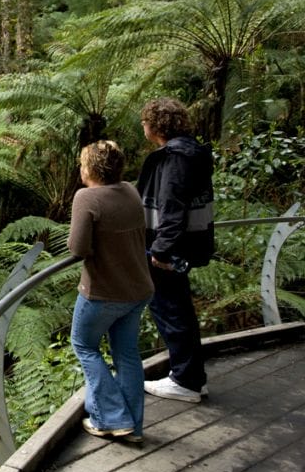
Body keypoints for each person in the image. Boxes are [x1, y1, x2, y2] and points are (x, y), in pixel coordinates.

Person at [68, 140, 154, 442]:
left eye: (82, 163)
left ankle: (110, 419)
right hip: (139, 288)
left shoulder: (87, 198)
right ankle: (133, 427)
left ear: (91, 168)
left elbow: (77, 248)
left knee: (84, 345)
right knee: (127, 354)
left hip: (103, 293)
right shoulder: (129, 190)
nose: (80, 168)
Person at [137, 97, 215, 403]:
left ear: (156, 126)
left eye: (145, 122)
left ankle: (185, 380)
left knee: (170, 310)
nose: (143, 126)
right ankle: (193, 376)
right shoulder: (192, 152)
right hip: (187, 243)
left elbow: (171, 207)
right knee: (179, 308)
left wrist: (161, 249)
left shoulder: (174, 158)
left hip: (169, 248)